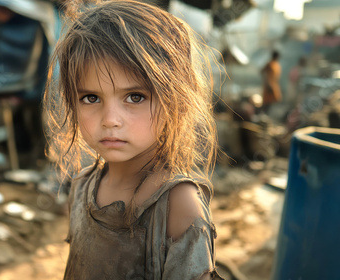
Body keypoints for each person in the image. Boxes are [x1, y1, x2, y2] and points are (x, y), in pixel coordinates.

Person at [43, 1, 222, 279]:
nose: (110, 119)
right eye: (91, 98)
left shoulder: (178, 206)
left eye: (135, 97)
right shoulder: (81, 188)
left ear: (175, 100)